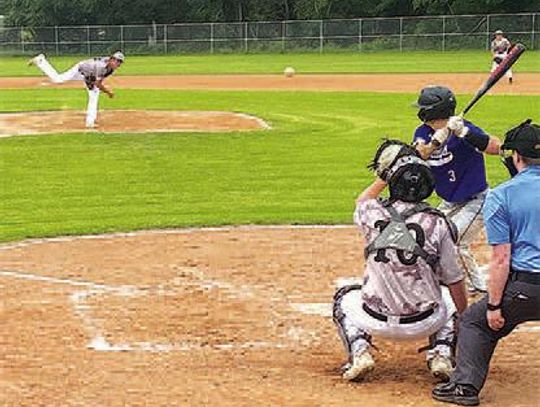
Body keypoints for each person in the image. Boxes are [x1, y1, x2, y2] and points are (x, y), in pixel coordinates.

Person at [333, 139, 468, 383]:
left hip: (373, 318)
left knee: (343, 296)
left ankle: (359, 351)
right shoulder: (438, 223)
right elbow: (455, 279)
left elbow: (362, 199)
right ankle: (442, 354)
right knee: (450, 296)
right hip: (424, 322)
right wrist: (466, 317)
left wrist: (393, 169)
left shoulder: (371, 213)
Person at [432, 120, 540, 406]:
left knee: (475, 323)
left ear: (517, 157)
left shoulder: (502, 196)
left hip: (526, 289)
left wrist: (494, 306)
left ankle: (464, 388)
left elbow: (501, 258)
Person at [413, 85, 501, 293]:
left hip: (476, 200)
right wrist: (436, 141)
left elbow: (497, 148)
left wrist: (465, 133)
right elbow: (420, 154)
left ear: (432, 111)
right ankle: (440, 277)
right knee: (429, 235)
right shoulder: (423, 132)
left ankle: (477, 289)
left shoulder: (464, 128)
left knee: (454, 241)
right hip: (449, 200)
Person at [28, 51, 125, 128]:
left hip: (89, 73)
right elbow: (97, 82)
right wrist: (108, 92)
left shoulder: (110, 68)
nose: (118, 64)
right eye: (117, 61)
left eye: (120, 62)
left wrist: (105, 90)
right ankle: (41, 61)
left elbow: (101, 78)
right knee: (58, 79)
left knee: (94, 94)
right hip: (80, 69)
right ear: (112, 59)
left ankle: (90, 122)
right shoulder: (100, 66)